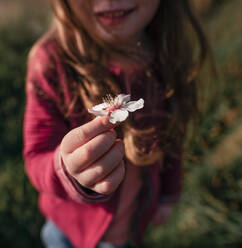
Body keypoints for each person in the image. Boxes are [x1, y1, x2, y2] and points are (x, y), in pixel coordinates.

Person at [23, 0, 211, 247]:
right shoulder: (50, 62)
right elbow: (37, 154)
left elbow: (173, 140)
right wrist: (67, 169)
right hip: (69, 228)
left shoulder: (168, 58)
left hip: (131, 225)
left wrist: (167, 194)